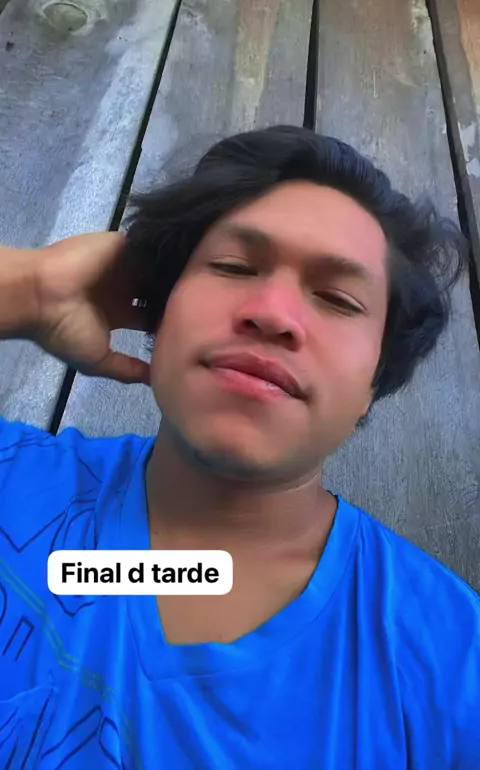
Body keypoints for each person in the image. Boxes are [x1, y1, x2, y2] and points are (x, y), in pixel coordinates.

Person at [0, 126, 479, 769]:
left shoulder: (453, 665)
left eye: (337, 298)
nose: (273, 312)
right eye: (232, 267)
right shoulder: (13, 479)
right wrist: (29, 289)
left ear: (373, 383)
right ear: (159, 313)